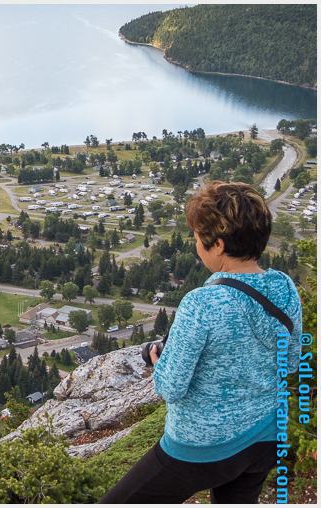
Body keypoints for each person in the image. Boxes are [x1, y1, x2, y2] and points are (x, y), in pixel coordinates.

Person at [101, 181, 303, 503]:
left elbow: (170, 387)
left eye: (197, 237)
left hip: (200, 446)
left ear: (218, 245)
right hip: (265, 436)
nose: (196, 244)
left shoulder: (201, 303)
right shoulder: (285, 287)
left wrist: (159, 362)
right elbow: (290, 362)